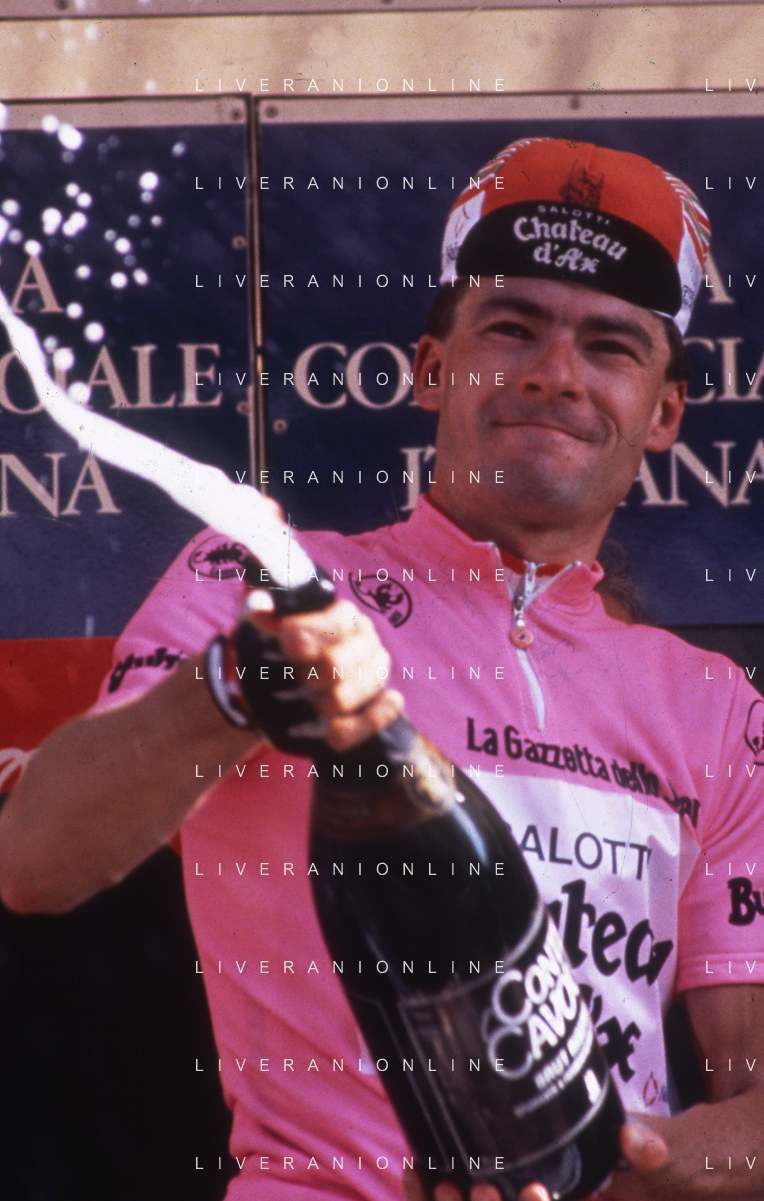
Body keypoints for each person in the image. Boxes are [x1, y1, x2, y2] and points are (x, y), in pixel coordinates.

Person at [1, 138, 763, 1201]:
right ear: (433, 366)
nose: (555, 373)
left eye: (609, 346)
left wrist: (607, 1166)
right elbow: (34, 858)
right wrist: (237, 685)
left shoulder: (713, 707)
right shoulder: (265, 579)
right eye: (511, 327)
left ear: (664, 410)